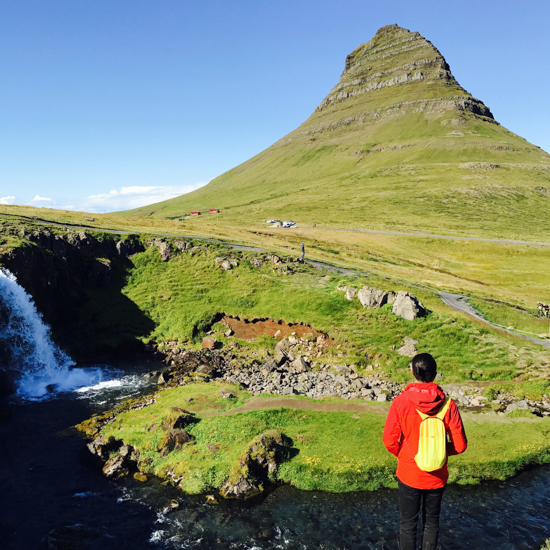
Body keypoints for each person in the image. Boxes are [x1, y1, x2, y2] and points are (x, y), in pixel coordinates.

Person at [383, 353, 467, 550]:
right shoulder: (449, 405)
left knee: (407, 524)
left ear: (412, 372)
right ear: (435, 375)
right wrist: (439, 452)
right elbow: (460, 445)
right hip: (436, 476)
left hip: (408, 474)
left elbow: (388, 440)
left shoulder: (401, 402)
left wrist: (403, 455)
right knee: (431, 523)